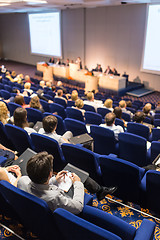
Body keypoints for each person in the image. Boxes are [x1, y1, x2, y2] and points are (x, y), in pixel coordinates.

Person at [17, 152, 117, 214]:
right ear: (49, 174)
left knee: (77, 176)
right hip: (57, 207)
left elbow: (37, 184)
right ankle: (100, 190)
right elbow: (78, 207)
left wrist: (54, 180)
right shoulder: (55, 197)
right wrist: (78, 184)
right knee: (80, 178)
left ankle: (100, 190)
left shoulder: (22, 180)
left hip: (40, 204)